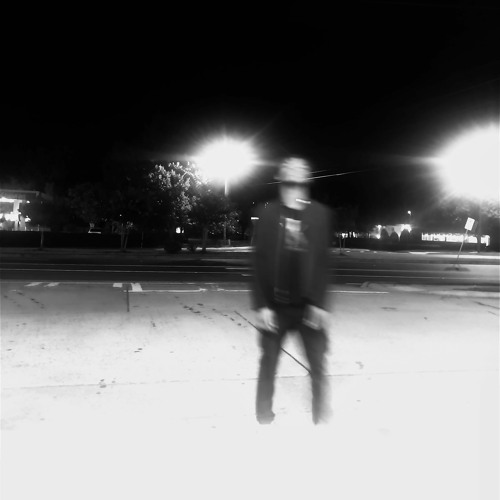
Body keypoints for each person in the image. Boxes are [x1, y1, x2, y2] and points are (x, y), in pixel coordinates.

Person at [251, 156, 333, 425]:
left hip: (309, 307)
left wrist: (320, 303)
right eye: (289, 167)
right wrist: (261, 305)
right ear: (280, 176)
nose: (296, 171)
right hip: (275, 306)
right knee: (268, 362)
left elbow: (323, 262)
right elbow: (258, 261)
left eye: (301, 169)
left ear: (307, 178)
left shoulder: (320, 214)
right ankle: (264, 416)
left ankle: (320, 418)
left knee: (318, 364)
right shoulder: (267, 214)